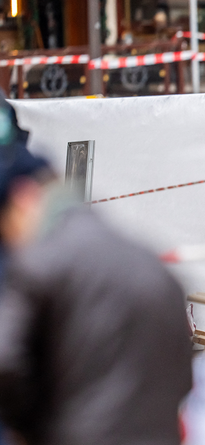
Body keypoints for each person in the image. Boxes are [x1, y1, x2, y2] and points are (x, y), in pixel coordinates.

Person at [0, 144, 193, 445]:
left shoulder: (40, 262)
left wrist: (30, 428)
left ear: (23, 201)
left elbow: (6, 362)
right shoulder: (150, 264)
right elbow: (184, 370)